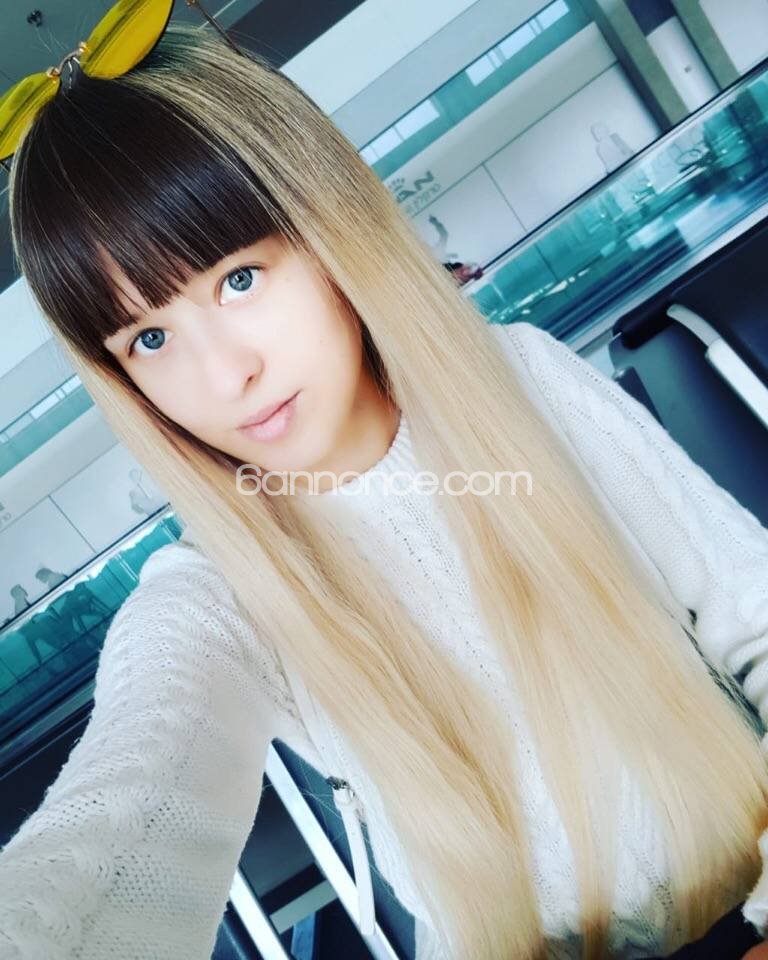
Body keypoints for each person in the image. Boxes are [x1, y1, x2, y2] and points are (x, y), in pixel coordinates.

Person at [1, 19, 768, 960]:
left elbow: (757, 616)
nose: (224, 375)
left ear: (327, 229)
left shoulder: (523, 384)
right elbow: (123, 815)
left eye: (238, 279)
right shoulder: (217, 594)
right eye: (149, 340)